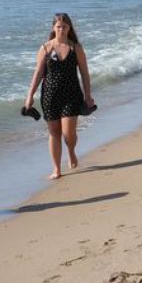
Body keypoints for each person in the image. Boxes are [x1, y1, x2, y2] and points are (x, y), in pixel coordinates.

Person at [23, 12, 95, 180]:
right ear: (53, 28)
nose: (61, 29)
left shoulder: (75, 47)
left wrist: (88, 95)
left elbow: (84, 73)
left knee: (69, 133)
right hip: (50, 96)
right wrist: (29, 96)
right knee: (54, 133)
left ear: (69, 28)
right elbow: (38, 73)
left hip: (71, 94)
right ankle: (56, 168)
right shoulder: (46, 48)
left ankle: (70, 150)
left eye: (64, 26)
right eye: (58, 26)